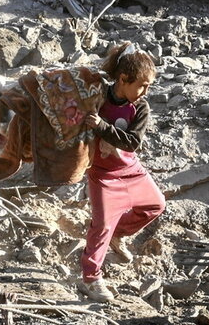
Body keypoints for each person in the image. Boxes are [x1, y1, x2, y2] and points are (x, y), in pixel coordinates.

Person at [80, 42, 166, 303]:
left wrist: (102, 127)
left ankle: (118, 236)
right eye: (141, 85)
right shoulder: (98, 97)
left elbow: (132, 142)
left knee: (155, 204)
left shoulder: (140, 108)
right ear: (123, 79)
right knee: (101, 225)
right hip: (103, 174)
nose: (145, 91)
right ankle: (91, 279)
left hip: (131, 169)